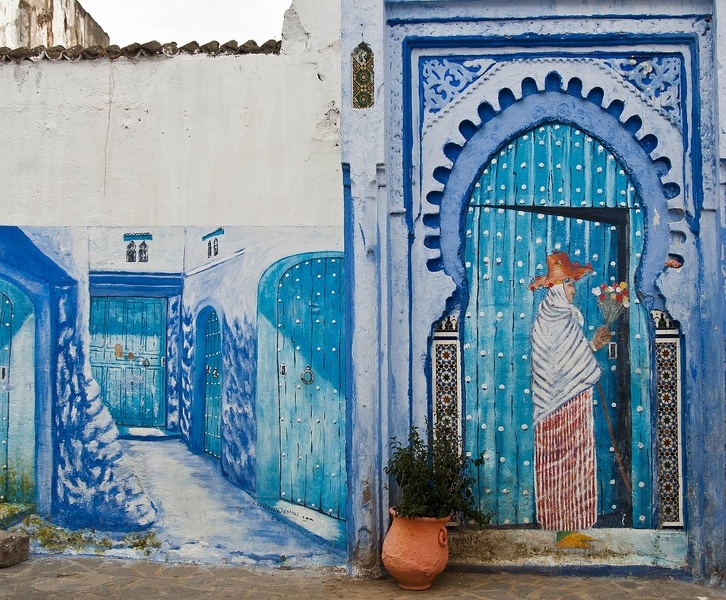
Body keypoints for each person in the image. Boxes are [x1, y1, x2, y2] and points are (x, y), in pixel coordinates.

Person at [528, 252, 611, 542]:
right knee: (558, 463)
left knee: (577, 462)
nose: (575, 290)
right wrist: (585, 366)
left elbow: (570, 358)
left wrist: (592, 347)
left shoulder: (563, 318)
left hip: (574, 400)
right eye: (571, 285)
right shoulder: (552, 321)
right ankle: (559, 526)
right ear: (558, 288)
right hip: (557, 407)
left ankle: (574, 526)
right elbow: (556, 365)